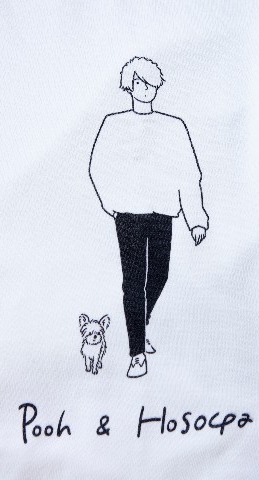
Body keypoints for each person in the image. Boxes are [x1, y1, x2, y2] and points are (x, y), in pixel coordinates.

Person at [89, 57, 209, 378]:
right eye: (139, 83)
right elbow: (98, 166)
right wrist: (112, 204)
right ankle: (137, 353)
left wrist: (196, 219)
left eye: (151, 83)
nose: (146, 89)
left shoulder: (174, 126)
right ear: (130, 86)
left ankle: (140, 328)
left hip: (162, 213)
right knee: (133, 283)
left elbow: (189, 173)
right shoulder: (113, 123)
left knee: (159, 275)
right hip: (128, 214)